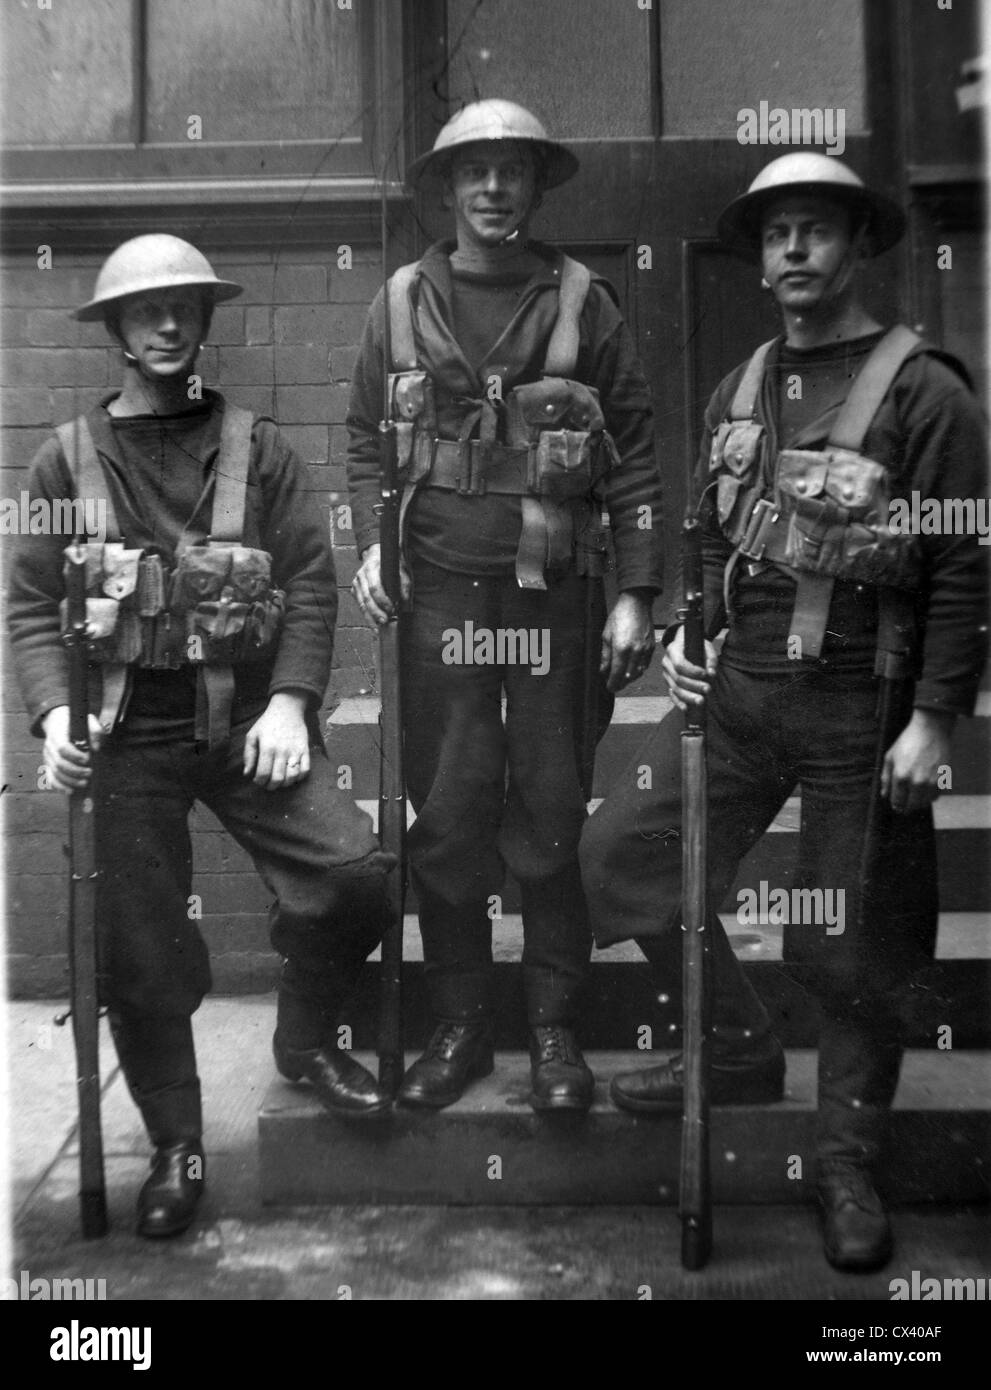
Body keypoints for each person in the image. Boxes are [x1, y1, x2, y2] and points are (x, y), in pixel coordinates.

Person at [579, 153, 988, 1270]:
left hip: (869, 704)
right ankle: (735, 1038)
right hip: (745, 694)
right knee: (623, 852)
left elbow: (962, 565)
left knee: (848, 937)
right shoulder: (741, 385)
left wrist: (936, 718)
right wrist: (686, 636)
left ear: (859, 246)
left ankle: (846, 1159)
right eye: (774, 235)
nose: (792, 251)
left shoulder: (926, 390)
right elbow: (709, 535)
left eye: (815, 230)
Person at [8, 234, 396, 1239]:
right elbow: (29, 605)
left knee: (355, 870)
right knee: (139, 949)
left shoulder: (258, 448)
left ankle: (304, 1037)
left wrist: (292, 703)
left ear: (204, 321)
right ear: (118, 333)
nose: (170, 324)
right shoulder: (64, 457)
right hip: (125, 736)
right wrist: (56, 714)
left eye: (185, 307)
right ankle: (177, 1142)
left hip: (243, 723)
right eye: (148, 311)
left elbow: (310, 580)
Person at [347, 101, 663, 1114]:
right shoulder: (397, 301)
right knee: (444, 814)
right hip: (437, 596)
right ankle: (460, 1025)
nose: (492, 189)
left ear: (536, 186)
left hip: (554, 603)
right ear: (445, 189)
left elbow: (639, 453)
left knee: (550, 809)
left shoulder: (585, 303)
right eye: (473, 172)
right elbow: (362, 440)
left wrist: (638, 594)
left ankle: (554, 1034)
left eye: (512, 171)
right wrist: (368, 546)